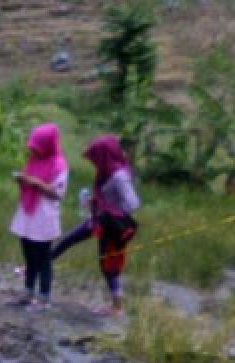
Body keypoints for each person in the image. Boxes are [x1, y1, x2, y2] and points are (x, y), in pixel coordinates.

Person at [51, 135, 140, 315]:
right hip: (98, 219)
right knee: (69, 239)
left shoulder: (119, 176)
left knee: (108, 265)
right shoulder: (106, 170)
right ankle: (37, 265)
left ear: (104, 155)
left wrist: (109, 208)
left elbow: (133, 203)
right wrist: (97, 202)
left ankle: (118, 307)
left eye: (96, 157)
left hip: (111, 226)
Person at [9, 123, 69, 309]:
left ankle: (44, 297)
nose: (34, 151)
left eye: (38, 147)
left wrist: (35, 182)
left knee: (43, 257)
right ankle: (28, 291)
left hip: (44, 216)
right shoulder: (34, 161)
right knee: (28, 253)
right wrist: (22, 181)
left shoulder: (59, 165)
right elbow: (27, 182)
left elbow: (57, 193)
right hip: (28, 212)